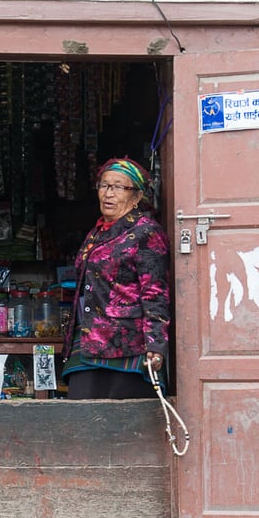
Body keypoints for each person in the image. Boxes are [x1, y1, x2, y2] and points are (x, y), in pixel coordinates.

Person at [60, 157, 170, 400]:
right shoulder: (97, 232)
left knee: (121, 421)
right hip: (88, 339)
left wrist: (155, 345)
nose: (109, 193)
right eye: (104, 186)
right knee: (81, 415)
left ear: (137, 196)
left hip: (126, 343)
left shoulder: (145, 232)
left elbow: (155, 293)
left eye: (119, 187)